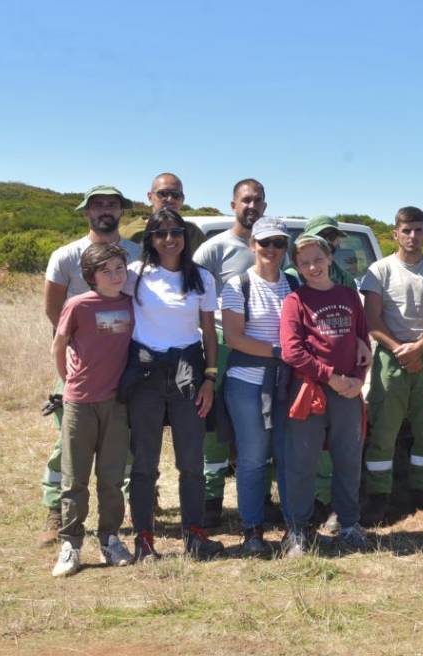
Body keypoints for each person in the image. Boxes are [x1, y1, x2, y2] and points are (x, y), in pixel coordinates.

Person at [38, 185, 140, 545]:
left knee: (121, 443)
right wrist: (73, 351)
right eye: (97, 206)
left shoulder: (136, 254)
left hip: (120, 368)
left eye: (112, 205)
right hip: (78, 364)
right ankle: (57, 513)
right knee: (67, 445)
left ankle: (126, 513)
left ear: (121, 211)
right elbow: (54, 309)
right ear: (86, 213)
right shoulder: (65, 255)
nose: (105, 211)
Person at [122, 208, 224, 561]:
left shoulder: (201, 279)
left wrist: (210, 378)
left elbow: (209, 333)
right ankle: (144, 539)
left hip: (187, 373)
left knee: (192, 461)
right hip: (146, 375)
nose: (169, 239)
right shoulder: (134, 275)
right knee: (144, 464)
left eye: (176, 232)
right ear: (150, 238)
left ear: (186, 236)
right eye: (161, 233)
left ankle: (195, 535)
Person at [280, 234, 373, 557]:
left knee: (348, 460)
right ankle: (298, 530)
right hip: (311, 392)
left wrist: (358, 380)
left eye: (317, 259)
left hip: (347, 391)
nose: (312, 267)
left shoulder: (349, 296)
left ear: (330, 258)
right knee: (302, 463)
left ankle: (349, 524)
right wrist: (331, 378)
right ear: (297, 267)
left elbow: (363, 343)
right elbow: (293, 352)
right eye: (304, 262)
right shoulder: (295, 301)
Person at [48, 243, 136, 576]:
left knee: (112, 478)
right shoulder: (78, 305)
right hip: (80, 403)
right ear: (90, 276)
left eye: (119, 269)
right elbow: (60, 344)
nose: (115, 276)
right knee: (74, 478)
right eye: (106, 271)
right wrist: (68, 381)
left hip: (116, 404)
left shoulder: (131, 304)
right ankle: (70, 543)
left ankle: (111, 539)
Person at [360, 206, 423, 523]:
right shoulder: (379, 271)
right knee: (383, 431)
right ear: (395, 233)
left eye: (419, 230)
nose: (413, 236)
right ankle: (378, 497)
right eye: (407, 230)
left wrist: (419, 348)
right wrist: (401, 349)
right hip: (390, 358)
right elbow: (371, 319)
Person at [218, 217, 299, 558]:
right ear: (252, 245)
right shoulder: (238, 285)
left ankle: (295, 529)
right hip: (248, 383)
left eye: (278, 244)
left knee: (290, 456)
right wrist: (281, 352)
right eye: (265, 243)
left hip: (288, 382)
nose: (271, 250)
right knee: (252, 459)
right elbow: (235, 338)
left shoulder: (293, 284)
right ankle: (253, 530)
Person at [192, 178, 268, 526]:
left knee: (257, 420)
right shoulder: (214, 248)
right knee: (213, 422)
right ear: (233, 204)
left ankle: (260, 496)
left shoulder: (270, 246)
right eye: (246, 200)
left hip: (260, 347)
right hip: (220, 343)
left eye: (258, 201)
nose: (252, 206)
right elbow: (193, 297)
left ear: (264, 206)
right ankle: (210, 499)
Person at [122, 173, 207, 250]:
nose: (170, 199)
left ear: (182, 199)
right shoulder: (129, 233)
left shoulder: (193, 233)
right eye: (163, 193)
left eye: (176, 195)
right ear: (150, 197)